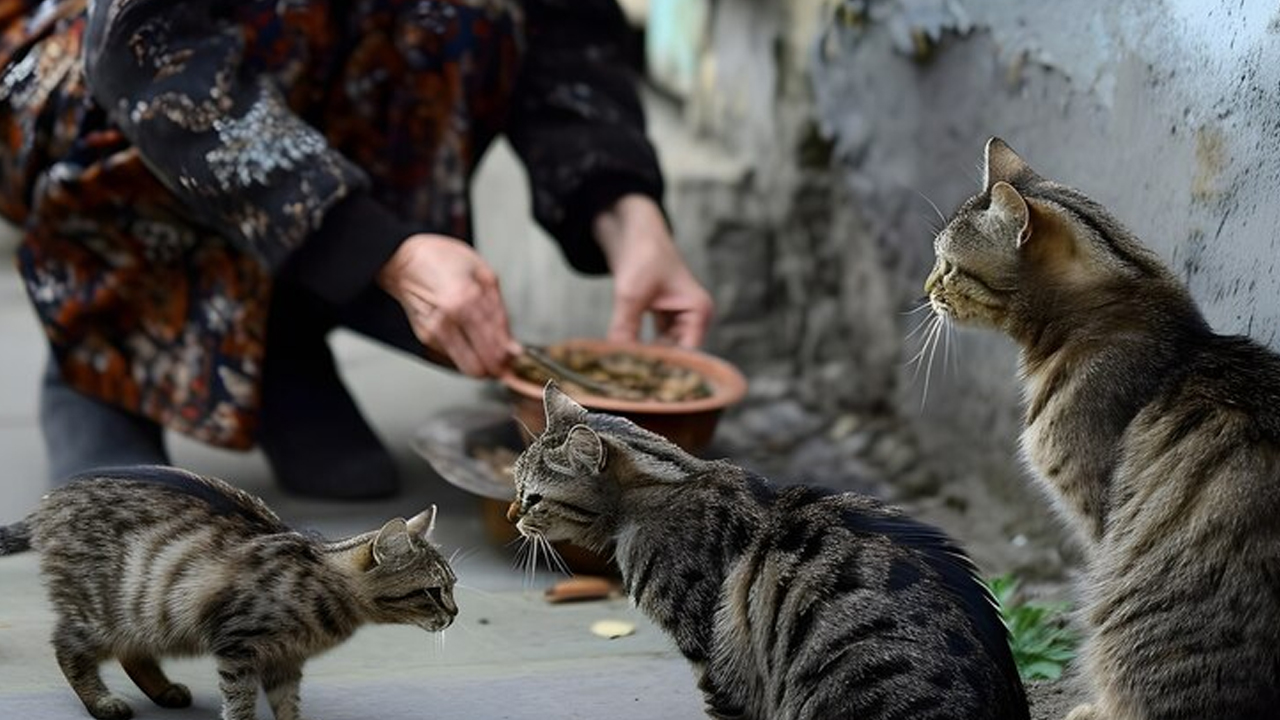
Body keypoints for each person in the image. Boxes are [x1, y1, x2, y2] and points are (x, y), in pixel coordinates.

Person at [0, 0, 713, 498]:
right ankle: (101, 359)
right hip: (86, 47)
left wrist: (627, 212)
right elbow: (145, 46)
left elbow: (566, 32)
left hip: (315, 54)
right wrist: (383, 251)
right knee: (222, 31)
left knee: (465, 12)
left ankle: (282, 333)